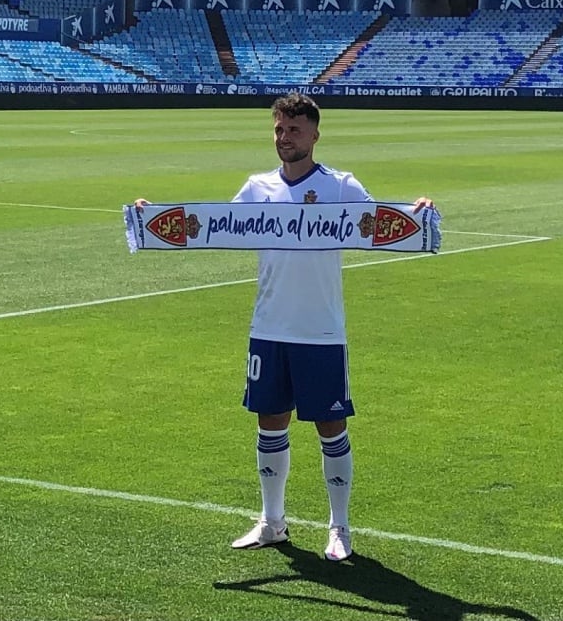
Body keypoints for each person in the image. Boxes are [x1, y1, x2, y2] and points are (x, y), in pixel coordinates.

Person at [136, 92, 433, 561]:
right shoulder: (257, 187)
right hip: (269, 328)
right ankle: (272, 522)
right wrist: (154, 219)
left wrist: (415, 214)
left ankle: (340, 528)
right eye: (278, 129)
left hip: (320, 330)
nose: (284, 138)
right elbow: (214, 227)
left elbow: (377, 224)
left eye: (294, 130)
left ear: (315, 134)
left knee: (330, 426)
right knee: (270, 421)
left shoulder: (340, 185)